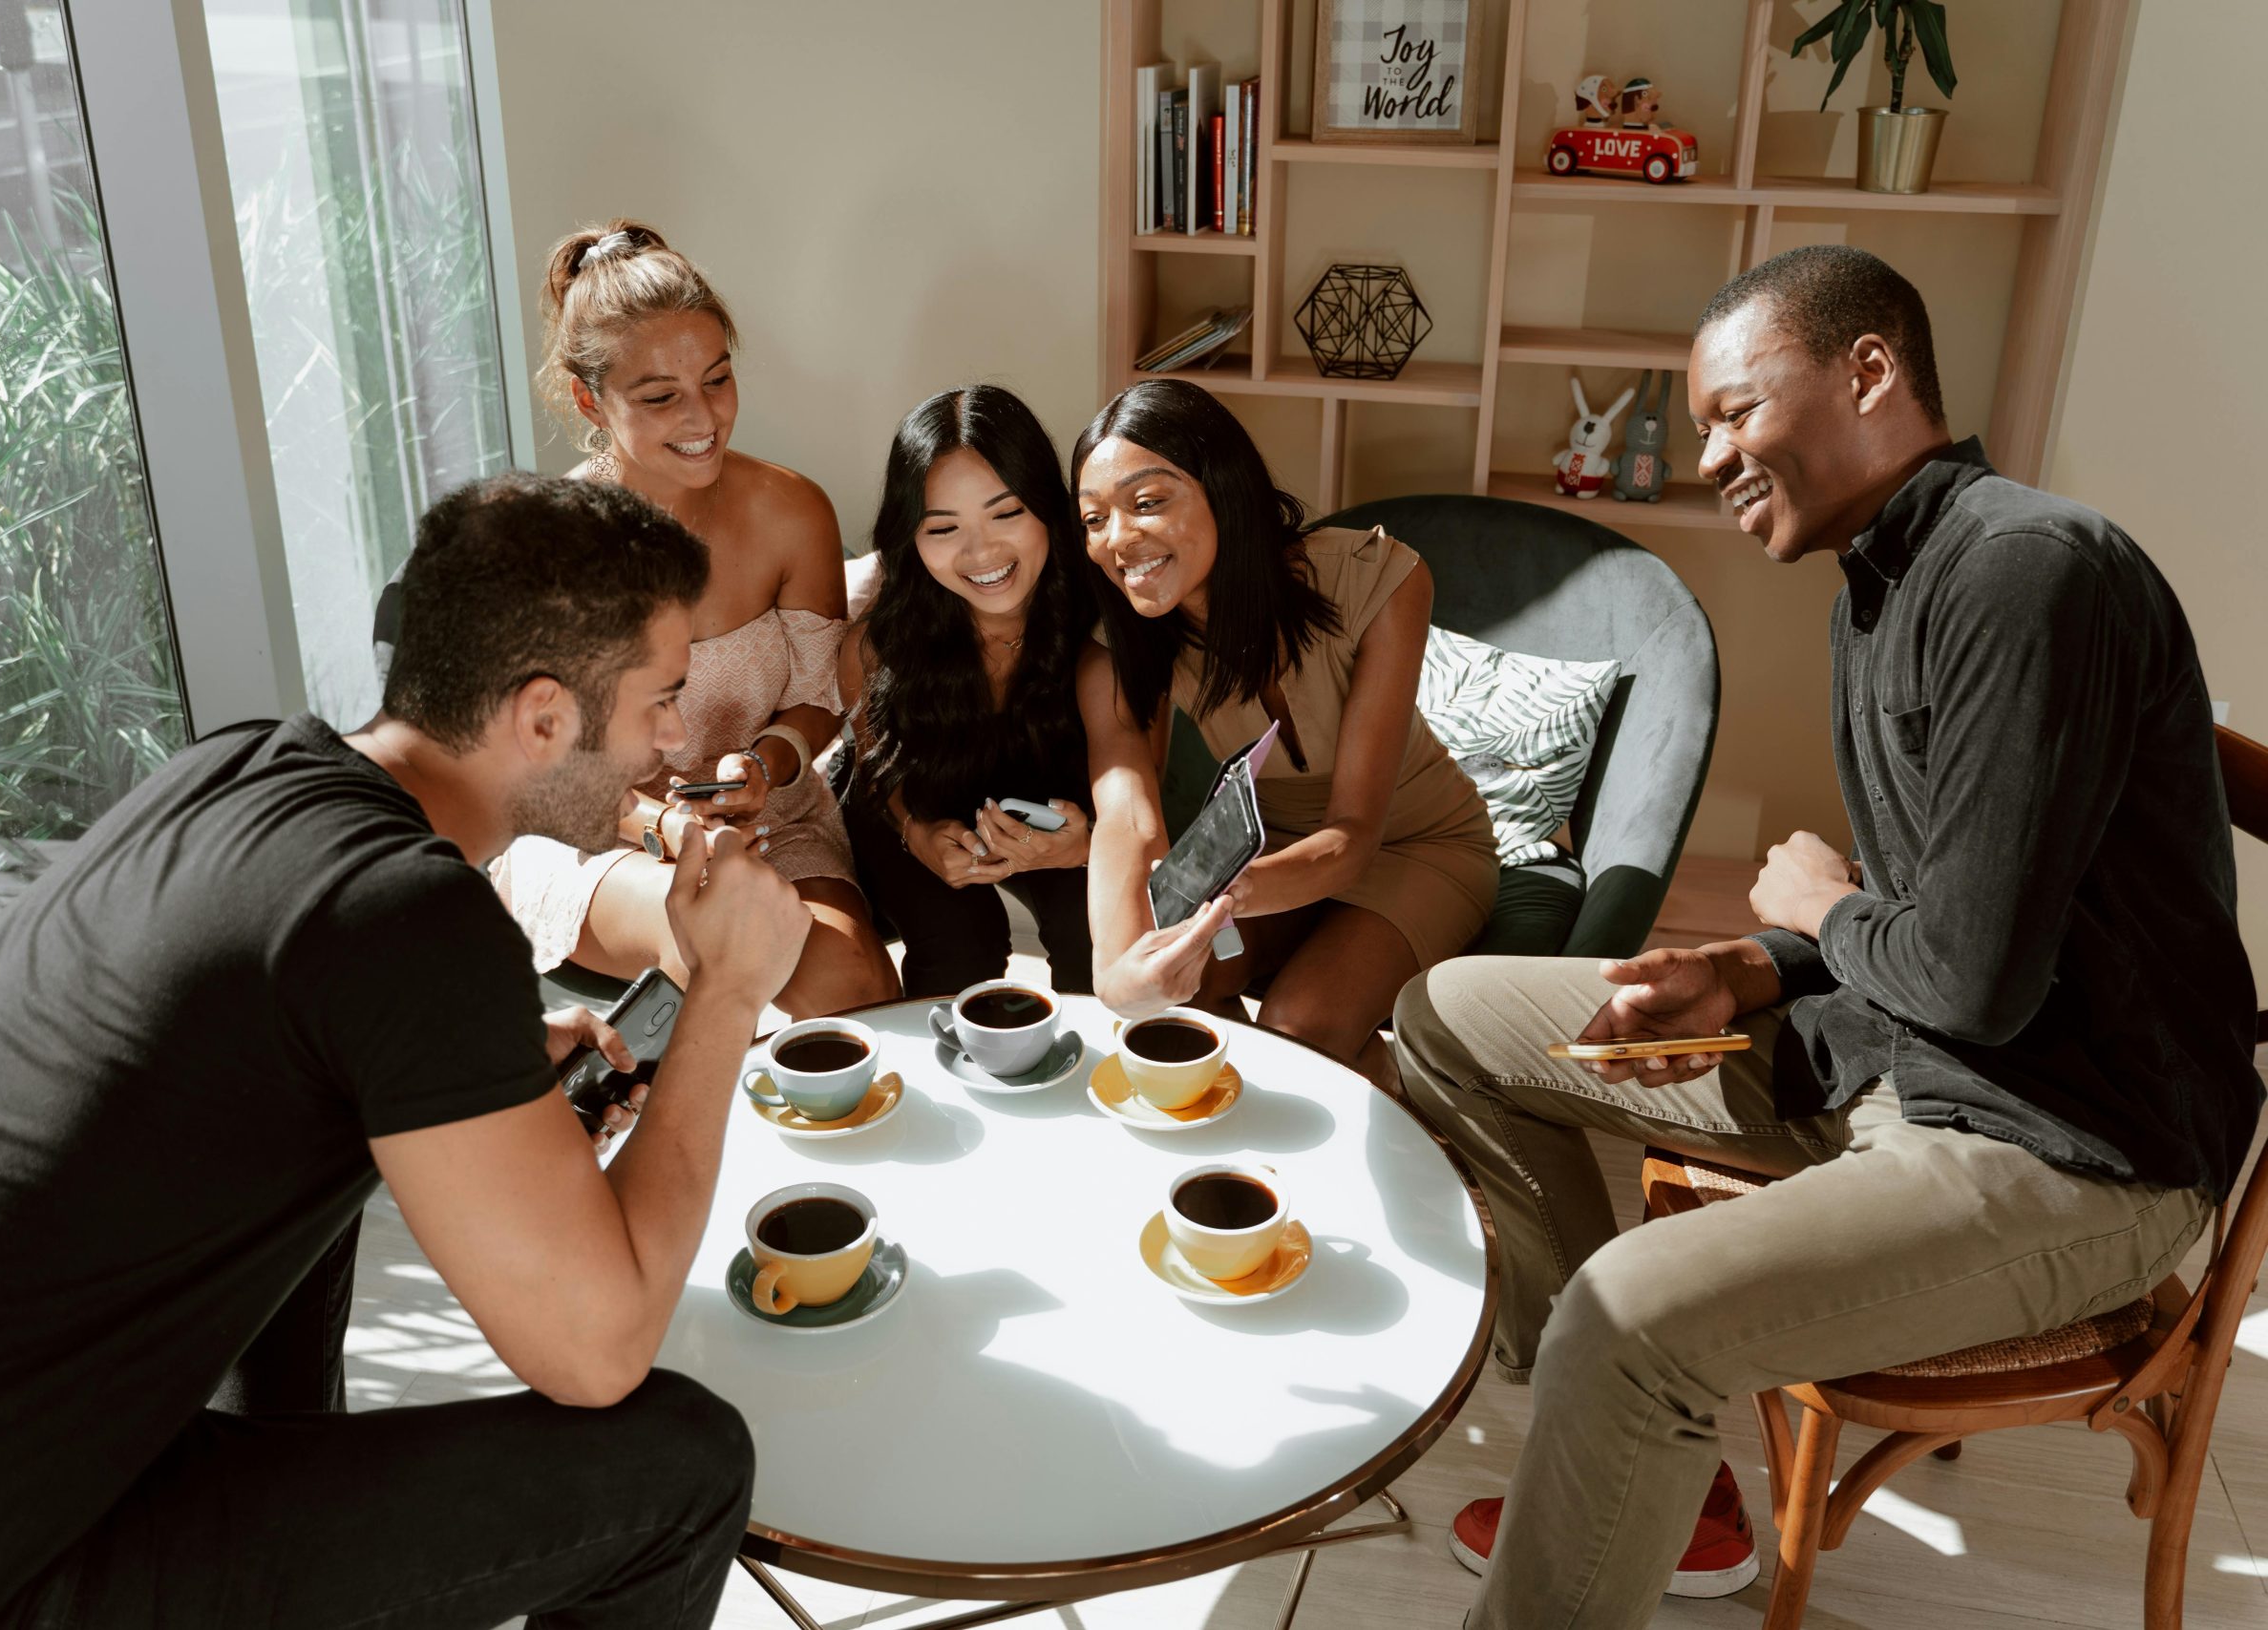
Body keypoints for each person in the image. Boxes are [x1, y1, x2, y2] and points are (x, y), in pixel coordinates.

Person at [1393, 245, 2261, 1627]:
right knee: (1445, 1012)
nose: (1714, 457)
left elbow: (1973, 979)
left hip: (2071, 1143)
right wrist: (1753, 963)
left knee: (1636, 1316)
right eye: (1700, 435)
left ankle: (1617, 1396)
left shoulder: (2029, 574)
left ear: (1871, 368)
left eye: (1736, 412)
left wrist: (1809, 908)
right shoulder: (1882, 585)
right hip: (1886, 1055)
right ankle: (1639, 1466)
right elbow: (1958, 902)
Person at [0, 472, 813, 1629]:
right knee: (678, 1471)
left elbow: (266, 1043)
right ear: (544, 717)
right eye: (661, 697)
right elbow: (597, 1356)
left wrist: (467, 1067)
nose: (677, 738)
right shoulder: (407, 916)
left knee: (328, 1153)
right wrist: (727, 995)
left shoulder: (249, 770)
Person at [490, 218, 898, 1017]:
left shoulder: (793, 512)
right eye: (660, 397)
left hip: (768, 811)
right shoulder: (553, 549)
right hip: (598, 831)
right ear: (589, 399)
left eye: (716, 379)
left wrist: (769, 764)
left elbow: (819, 699)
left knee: (857, 984)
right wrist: (663, 828)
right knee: (727, 954)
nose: (702, 416)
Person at [1073, 378, 1498, 1079]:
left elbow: (1355, 835)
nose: (1117, 540)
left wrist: (1217, 901)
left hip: (1421, 845)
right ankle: (1287, 1121)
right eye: (1093, 519)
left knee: (1296, 1027)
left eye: (1148, 502)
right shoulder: (1123, 643)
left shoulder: (1379, 580)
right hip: (1266, 853)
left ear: (1225, 489)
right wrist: (1118, 972)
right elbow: (1126, 814)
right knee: (1188, 1005)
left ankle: (1390, 1096)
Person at [838, 385, 1098, 997]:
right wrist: (916, 833)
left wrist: (1086, 842)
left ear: (1048, 508)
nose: (982, 553)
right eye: (944, 528)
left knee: (1098, 926)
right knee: (961, 943)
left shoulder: (1102, 622)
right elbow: (877, 771)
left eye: (1007, 514)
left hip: (1060, 810)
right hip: (914, 799)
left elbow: (1138, 778)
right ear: (910, 536)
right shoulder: (875, 645)